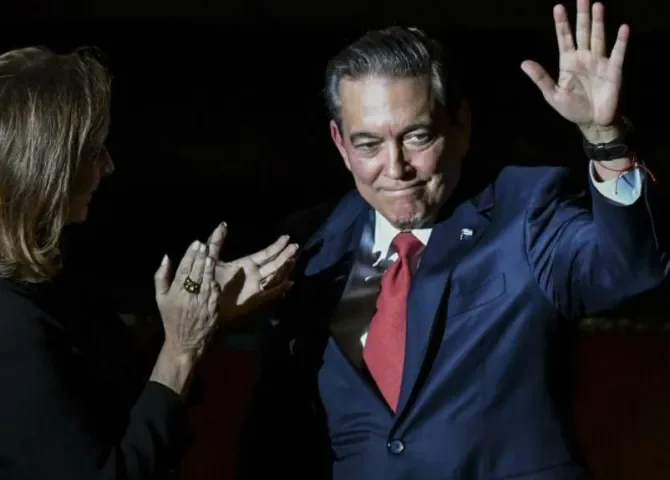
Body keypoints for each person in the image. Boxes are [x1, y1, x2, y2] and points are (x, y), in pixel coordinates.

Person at [237, 1, 667, 479]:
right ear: (340, 143)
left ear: (461, 125)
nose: (396, 168)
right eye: (368, 144)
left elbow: (627, 271)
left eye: (417, 137)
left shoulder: (526, 210)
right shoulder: (311, 245)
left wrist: (606, 139)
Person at [0, 47, 295, 479]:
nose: (109, 165)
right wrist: (182, 346)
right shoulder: (11, 327)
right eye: (93, 151)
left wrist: (201, 315)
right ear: (43, 170)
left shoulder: (51, 283)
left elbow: (120, 395)